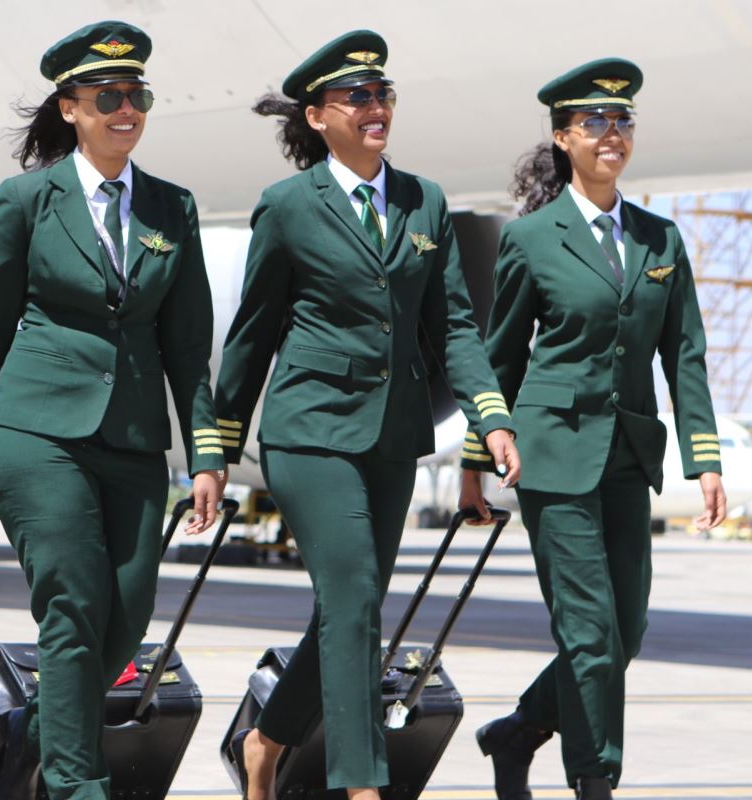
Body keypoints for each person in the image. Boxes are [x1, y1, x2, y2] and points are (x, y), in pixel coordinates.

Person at [213, 30, 520, 800]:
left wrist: (491, 418)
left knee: (350, 608)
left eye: (382, 94)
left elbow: (452, 325)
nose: (375, 106)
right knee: (353, 600)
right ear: (318, 117)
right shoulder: (287, 208)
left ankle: (265, 741)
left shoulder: (426, 201)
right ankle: (362, 786)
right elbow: (251, 337)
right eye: (356, 97)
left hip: (389, 436)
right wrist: (215, 452)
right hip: (309, 430)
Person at [0, 20, 225, 800]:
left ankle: (33, 733)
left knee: (125, 619)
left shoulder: (173, 206)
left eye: (138, 95)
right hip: (34, 430)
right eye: (108, 96)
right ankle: (74, 783)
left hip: (130, 437)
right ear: (70, 107)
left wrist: (207, 454)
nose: (126, 109)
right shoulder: (25, 199)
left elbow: (189, 342)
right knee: (73, 600)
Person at [458, 58, 727, 800]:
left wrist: (706, 459)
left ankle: (516, 733)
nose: (613, 134)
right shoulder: (533, 238)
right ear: (563, 137)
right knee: (587, 634)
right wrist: (475, 459)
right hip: (551, 456)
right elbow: (501, 356)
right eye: (597, 122)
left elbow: (687, 356)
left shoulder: (661, 240)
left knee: (624, 634)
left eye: (623, 121)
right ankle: (594, 781)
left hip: (627, 455)